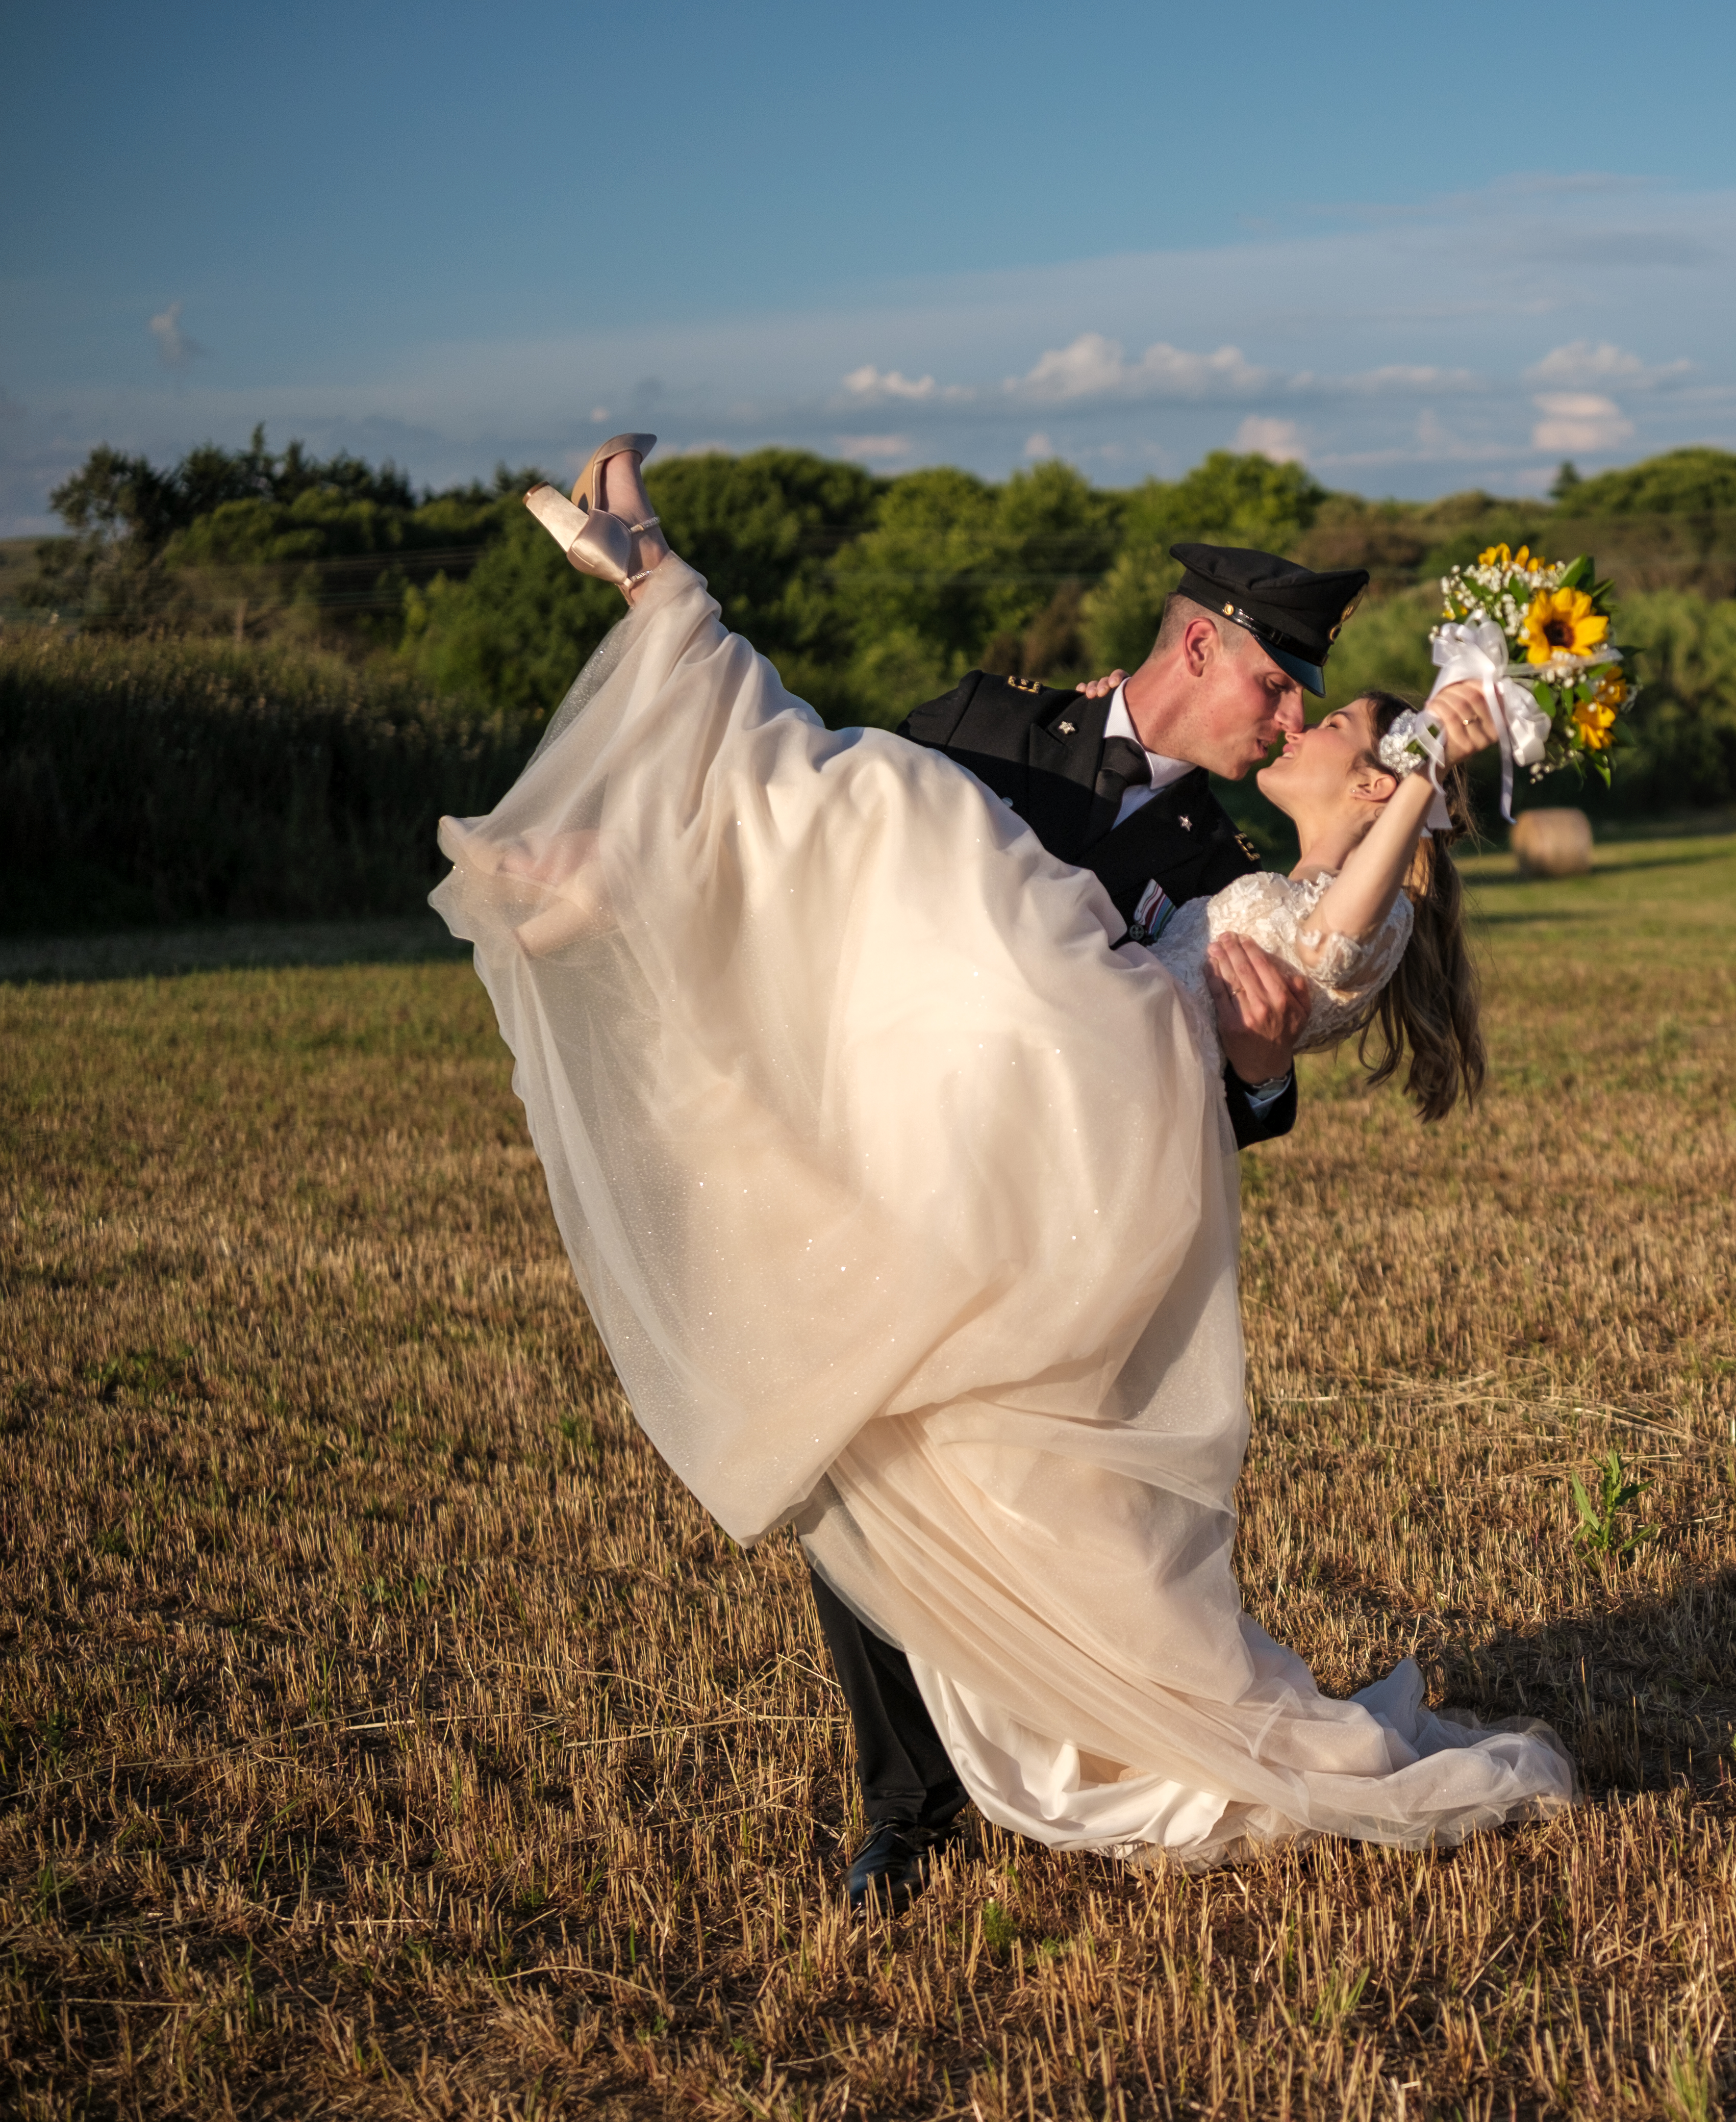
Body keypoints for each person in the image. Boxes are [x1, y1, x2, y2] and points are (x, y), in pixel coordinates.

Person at [437, 436, 1574, 1892]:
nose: (1288, 714)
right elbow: (801, 874)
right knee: (849, 1447)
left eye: (1307, 699)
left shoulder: (1219, 843)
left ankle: (665, 610)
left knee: (977, 1482)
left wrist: (1262, 1069)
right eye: (1276, 685)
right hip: (865, 1137)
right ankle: (904, 1804)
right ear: (1199, 646)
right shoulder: (981, 724)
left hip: (1036, 1198)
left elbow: (1236, 1050)